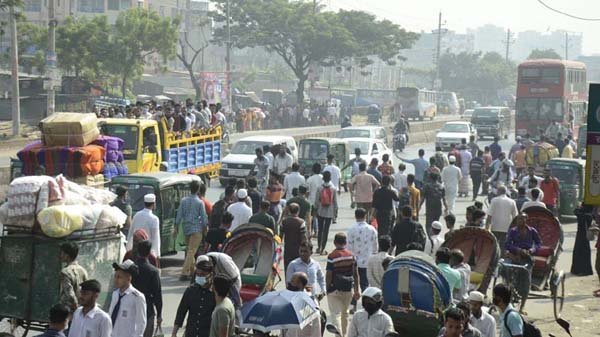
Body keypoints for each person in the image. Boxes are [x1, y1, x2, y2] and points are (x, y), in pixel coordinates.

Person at [326, 233, 361, 337]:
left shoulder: (332, 256)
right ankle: (344, 334)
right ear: (345, 243)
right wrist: (356, 290)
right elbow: (356, 274)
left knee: (335, 314)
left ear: (334, 242)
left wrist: (327, 288)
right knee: (345, 313)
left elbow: (329, 275)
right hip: (348, 288)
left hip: (334, 289)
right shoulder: (351, 256)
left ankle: (339, 335)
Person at [504, 213, 541, 310]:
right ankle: (508, 292)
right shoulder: (513, 231)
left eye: (522, 219)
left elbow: (538, 243)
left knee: (526, 280)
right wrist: (517, 250)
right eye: (518, 219)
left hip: (527, 257)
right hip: (515, 256)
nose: (519, 221)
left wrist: (531, 250)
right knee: (506, 271)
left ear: (526, 220)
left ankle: (522, 306)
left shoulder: (532, 231)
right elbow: (507, 244)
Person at [173, 257, 216, 337]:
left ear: (210, 275)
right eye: (198, 275)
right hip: (191, 333)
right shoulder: (190, 291)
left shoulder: (215, 293)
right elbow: (181, 312)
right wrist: (174, 333)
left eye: (203, 275)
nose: (200, 277)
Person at [175, 181, 208, 281]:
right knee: (191, 251)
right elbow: (203, 218)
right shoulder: (199, 202)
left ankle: (193, 272)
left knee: (190, 251)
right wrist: (205, 228)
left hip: (187, 228)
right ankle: (184, 273)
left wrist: (176, 227)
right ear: (198, 190)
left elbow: (179, 215)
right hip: (197, 229)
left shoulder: (184, 200)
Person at [132, 242, 163, 337]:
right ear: (149, 252)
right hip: (147, 310)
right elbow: (157, 294)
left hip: (131, 309)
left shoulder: (131, 268)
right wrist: (159, 314)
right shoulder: (153, 271)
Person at [109, 260, 147, 337]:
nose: (116, 280)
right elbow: (110, 315)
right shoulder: (115, 294)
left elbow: (141, 323)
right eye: (115, 276)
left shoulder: (137, 297)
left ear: (128, 279)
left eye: (119, 277)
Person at [347, 208, 378, 299]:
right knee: (365, 283)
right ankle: (366, 303)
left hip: (354, 261)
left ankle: (354, 304)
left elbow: (349, 246)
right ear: (365, 216)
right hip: (367, 261)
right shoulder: (372, 229)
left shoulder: (351, 229)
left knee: (354, 283)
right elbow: (375, 245)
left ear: (355, 216)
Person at [283, 272, 322, 337]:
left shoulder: (309, 300)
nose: (289, 283)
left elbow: (315, 323)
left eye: (292, 281)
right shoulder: (288, 296)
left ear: (300, 284)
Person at [128, 194, 161, 258]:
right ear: (154, 204)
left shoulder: (137, 215)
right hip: (147, 251)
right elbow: (155, 238)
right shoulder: (154, 219)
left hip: (136, 249)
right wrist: (157, 254)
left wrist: (129, 247)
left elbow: (131, 232)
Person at [59, 242, 89, 312]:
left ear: (67, 255)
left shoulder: (65, 272)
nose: (61, 255)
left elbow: (70, 294)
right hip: (81, 307)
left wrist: (76, 308)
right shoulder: (83, 270)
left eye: (62, 253)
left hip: (69, 310)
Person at [486, 186, 518, 250]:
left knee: (495, 245)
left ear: (498, 191)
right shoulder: (512, 201)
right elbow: (515, 216)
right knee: (504, 245)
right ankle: (502, 257)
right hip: (507, 227)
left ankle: (496, 258)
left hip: (495, 227)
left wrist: (487, 228)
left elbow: (489, 215)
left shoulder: (494, 200)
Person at [316, 171, 339, 255]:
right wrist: (335, 212)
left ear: (323, 178)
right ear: (330, 178)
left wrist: (316, 210)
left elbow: (316, 201)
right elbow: (335, 202)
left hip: (320, 211)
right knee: (326, 230)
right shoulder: (333, 188)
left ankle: (319, 247)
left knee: (320, 229)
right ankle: (323, 248)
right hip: (329, 212)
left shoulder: (319, 187)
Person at [281, 203, 308, 271]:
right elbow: (304, 237)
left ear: (289, 211)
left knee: (288, 267)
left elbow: (280, 236)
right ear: (298, 211)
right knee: (298, 268)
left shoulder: (284, 221)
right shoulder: (301, 222)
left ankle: (288, 280)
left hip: (287, 249)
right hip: (298, 249)